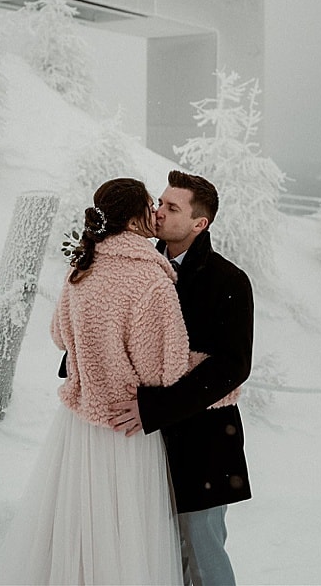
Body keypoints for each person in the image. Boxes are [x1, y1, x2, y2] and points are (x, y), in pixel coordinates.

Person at [0, 177, 189, 586]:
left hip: (80, 422)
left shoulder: (82, 266)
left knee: (76, 527)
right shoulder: (151, 281)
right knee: (126, 537)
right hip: (127, 426)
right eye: (151, 204)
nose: (156, 211)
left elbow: (58, 336)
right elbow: (165, 370)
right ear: (136, 216)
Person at [109, 170, 254, 586]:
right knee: (157, 554)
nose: (158, 211)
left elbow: (232, 365)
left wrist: (153, 408)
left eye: (172, 207)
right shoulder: (136, 268)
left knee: (203, 552)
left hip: (203, 440)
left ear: (199, 223)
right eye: (159, 202)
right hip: (143, 445)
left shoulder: (230, 281)